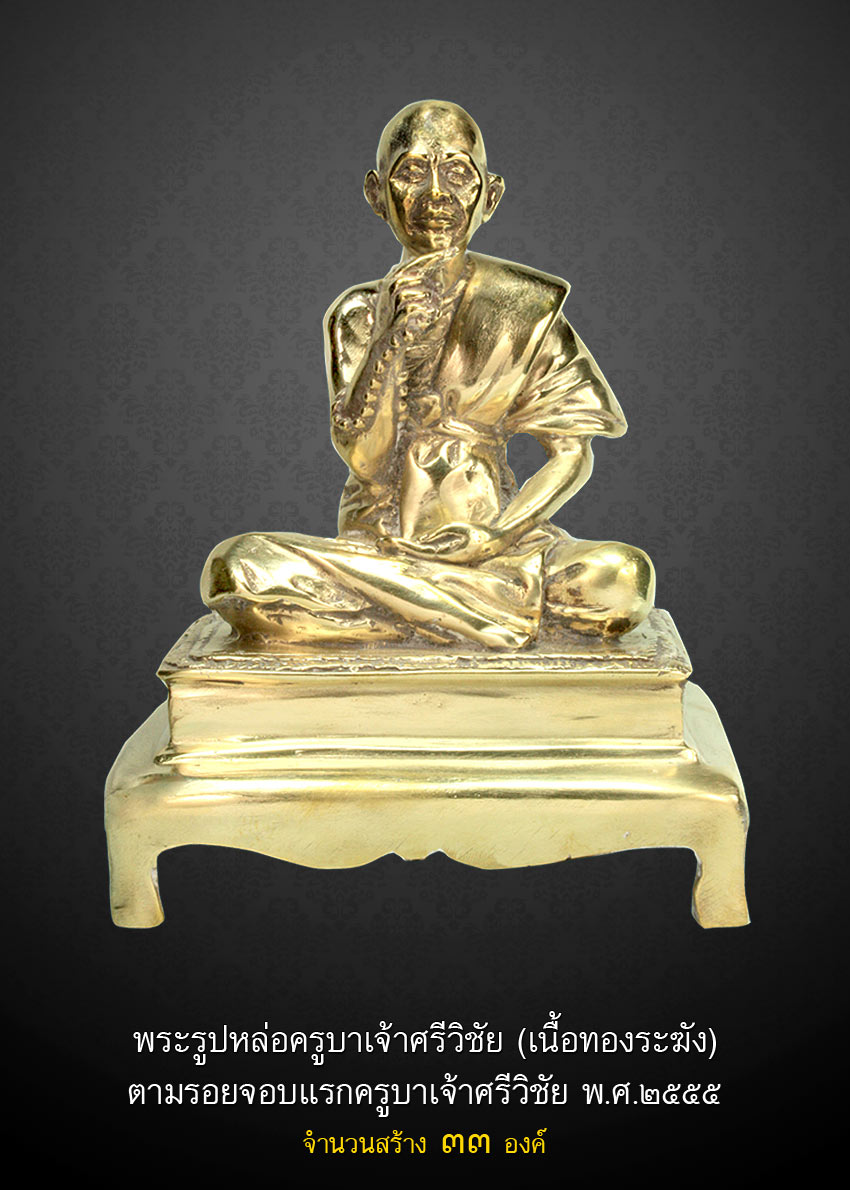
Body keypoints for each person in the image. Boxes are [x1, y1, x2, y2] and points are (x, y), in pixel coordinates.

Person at [202, 100, 654, 649]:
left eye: (458, 174)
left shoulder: (523, 305)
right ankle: (469, 616)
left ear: (490, 196)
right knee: (238, 569)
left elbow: (571, 452)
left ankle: (401, 619)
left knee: (622, 578)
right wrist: (389, 340)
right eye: (412, 172)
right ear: (377, 194)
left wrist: (495, 536)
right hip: (379, 545)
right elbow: (368, 462)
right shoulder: (358, 314)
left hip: (498, 544)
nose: (436, 194)